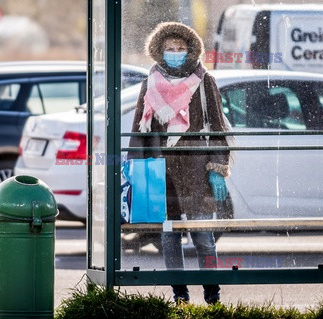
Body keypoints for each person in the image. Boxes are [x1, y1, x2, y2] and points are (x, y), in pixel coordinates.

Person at [128, 22, 230, 304]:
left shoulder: (204, 80)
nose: (175, 53)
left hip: (197, 170)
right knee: (169, 238)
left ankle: (212, 295)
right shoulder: (151, 81)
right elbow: (140, 127)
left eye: (180, 49)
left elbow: (218, 127)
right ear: (160, 51)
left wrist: (218, 168)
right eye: (170, 49)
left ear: (191, 50)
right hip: (163, 172)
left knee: (203, 238)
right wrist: (136, 168)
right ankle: (180, 296)